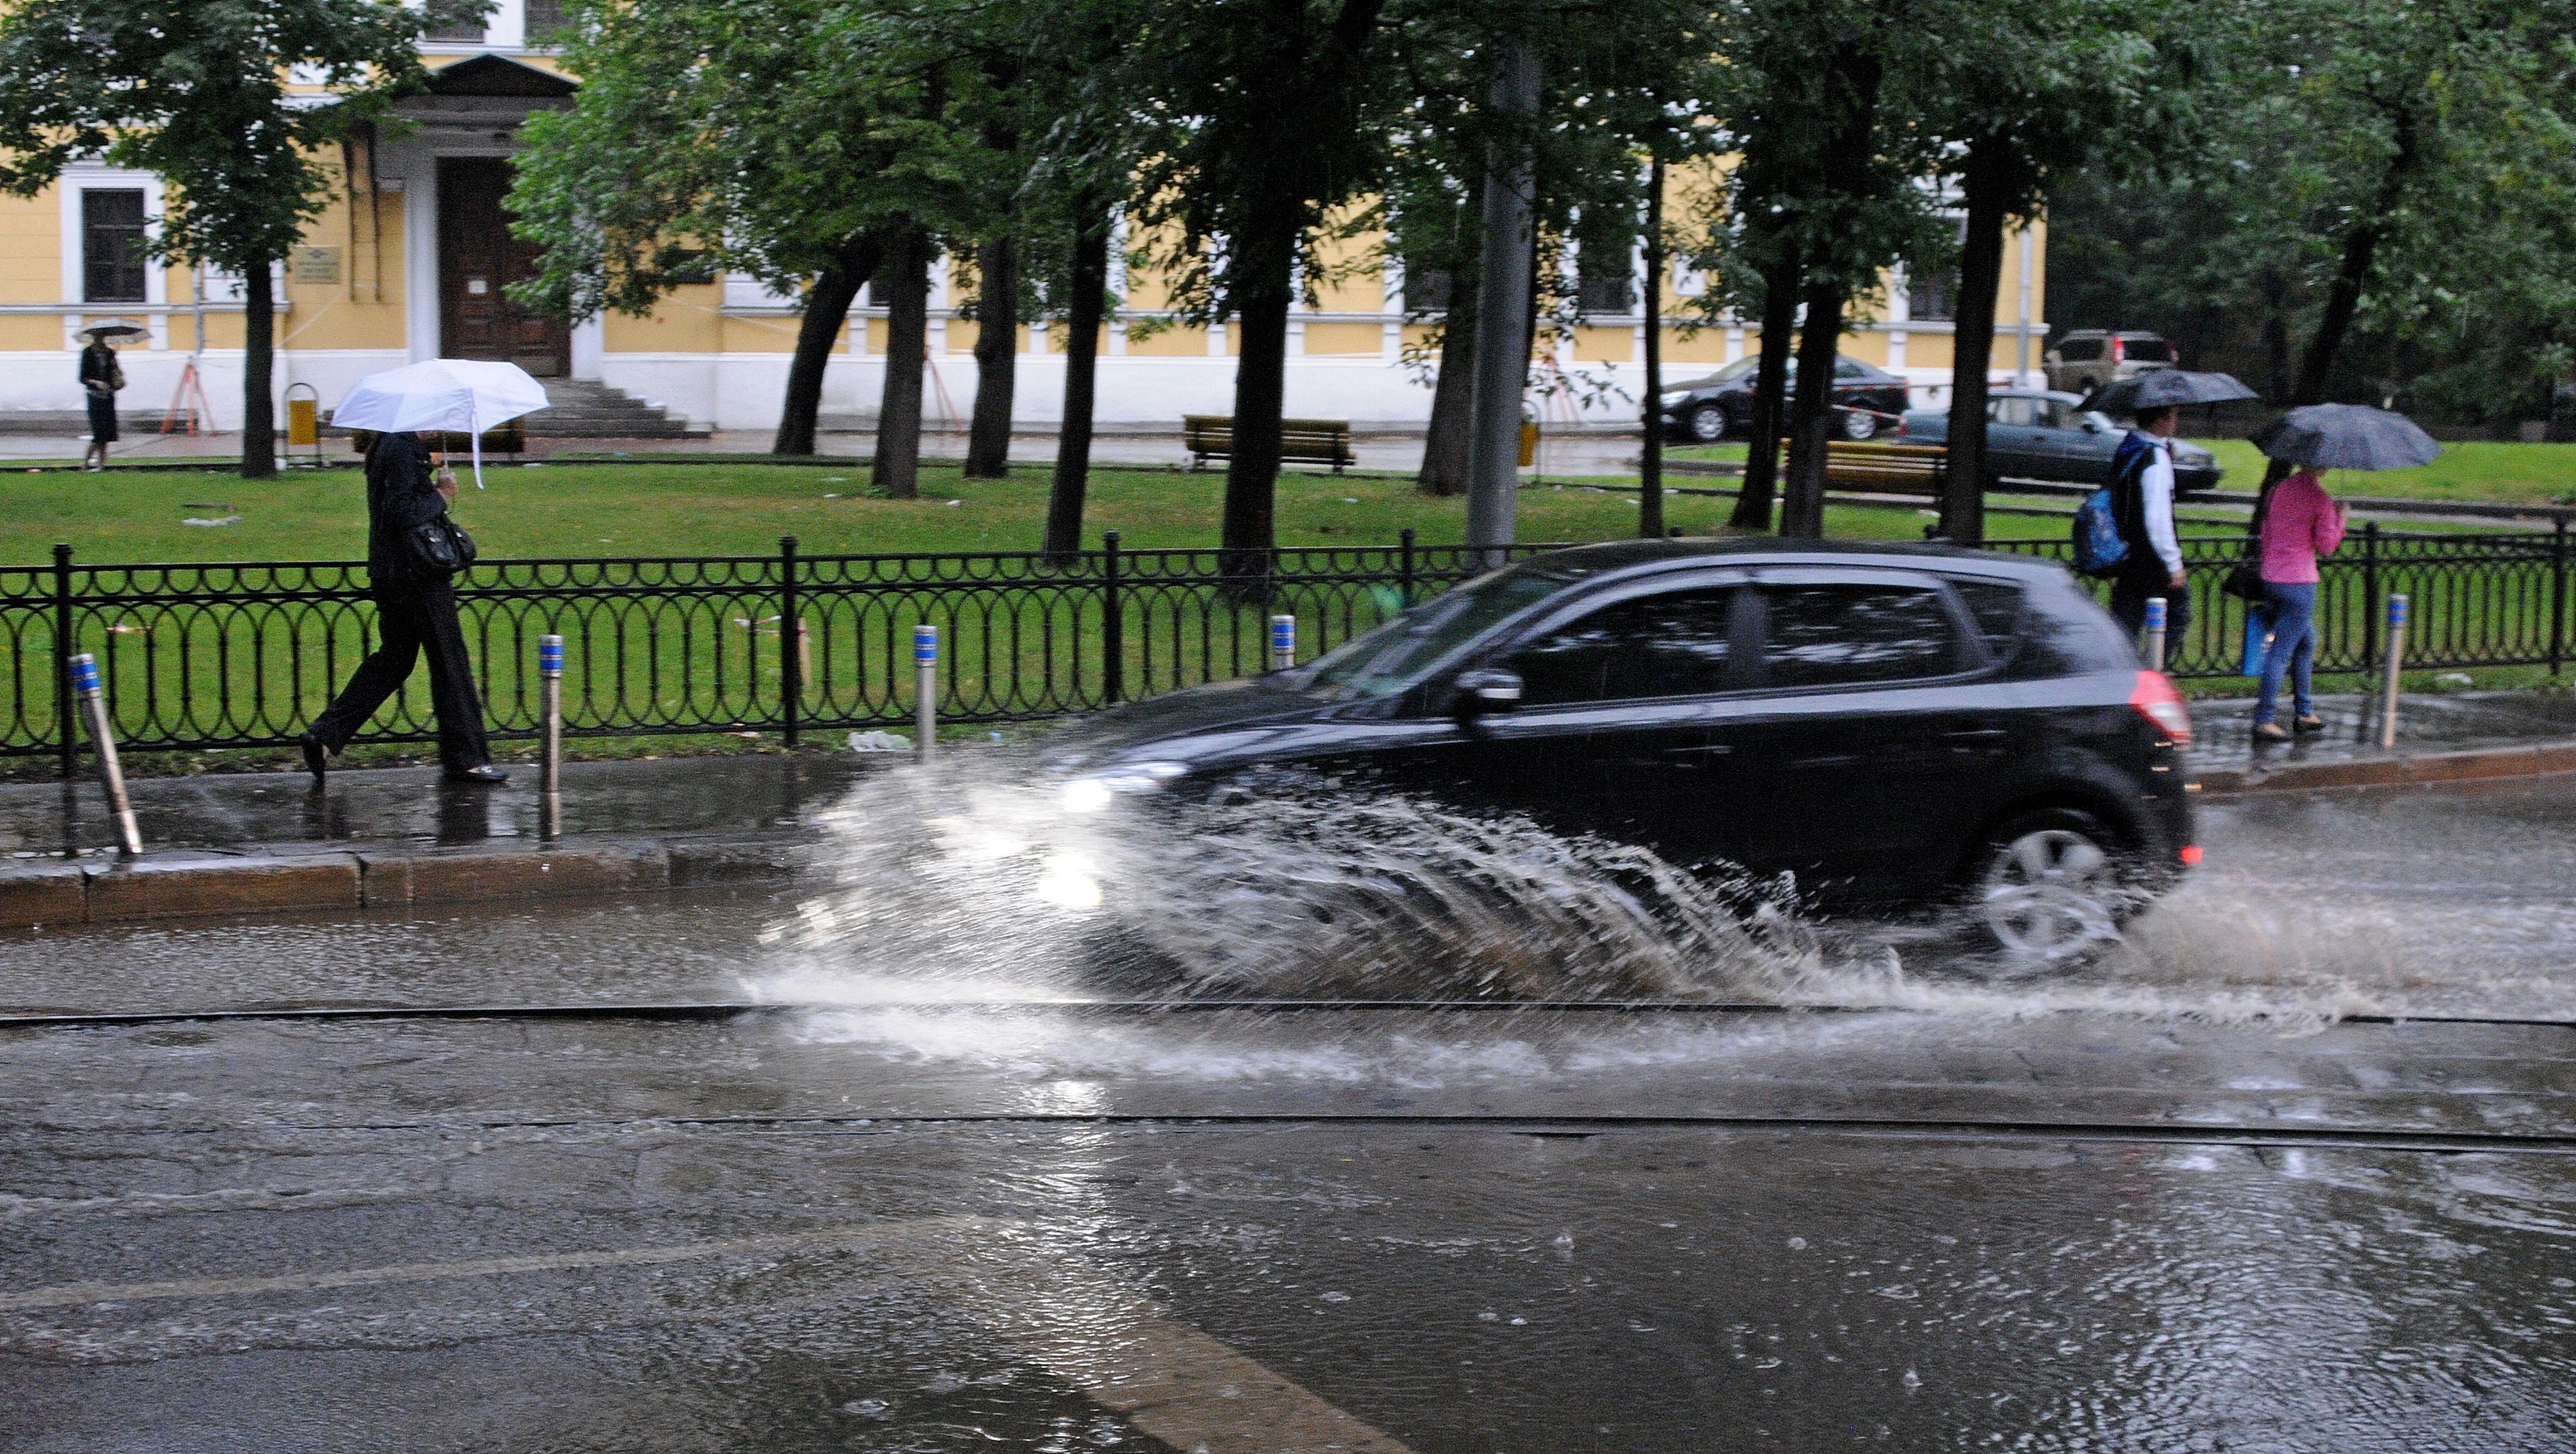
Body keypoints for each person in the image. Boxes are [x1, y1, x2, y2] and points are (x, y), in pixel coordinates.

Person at [298, 430, 506, 786]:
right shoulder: (400, 446)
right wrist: (441, 495)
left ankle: (324, 736)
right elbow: (400, 511)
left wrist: (430, 480)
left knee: (395, 658)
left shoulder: (391, 444)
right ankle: (467, 758)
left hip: (393, 572)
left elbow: (397, 503)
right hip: (417, 575)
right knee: (450, 660)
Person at [2251, 466, 2347, 741]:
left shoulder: (2278, 490)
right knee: (2281, 652)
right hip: (2299, 583)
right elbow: (2327, 546)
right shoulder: (2320, 499)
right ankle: (2265, 719)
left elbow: (2266, 531)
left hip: (2272, 578)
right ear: (2323, 467)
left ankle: (2305, 712)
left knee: (2306, 643)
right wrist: (2341, 519)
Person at [2108, 402, 2190, 651]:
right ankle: (2148, 673)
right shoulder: (2153, 457)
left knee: (2125, 624)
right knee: (2179, 615)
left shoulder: (2129, 449)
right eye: (2174, 416)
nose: (2176, 421)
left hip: (2127, 550)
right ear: (2159, 421)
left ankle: (2122, 675)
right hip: (2152, 558)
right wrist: (2173, 563)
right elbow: (2157, 517)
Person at [77, 335, 124, 472]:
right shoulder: (87, 353)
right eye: (97, 337)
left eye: (102, 337)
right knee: (98, 433)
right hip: (94, 397)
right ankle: (85, 464)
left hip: (108, 396)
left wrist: (115, 366)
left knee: (107, 434)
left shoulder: (110, 353)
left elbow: (115, 374)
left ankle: (101, 465)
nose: (100, 340)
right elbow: (82, 378)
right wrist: (96, 382)